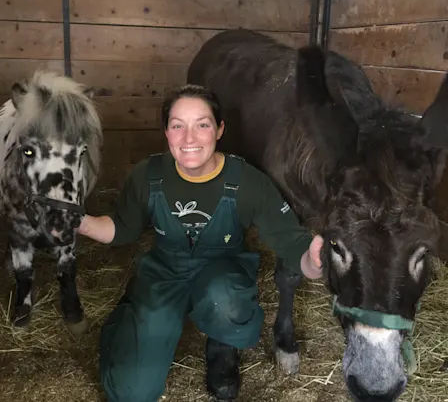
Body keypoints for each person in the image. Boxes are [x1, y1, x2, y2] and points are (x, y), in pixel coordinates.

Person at [78, 84, 324, 402]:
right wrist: (80, 223)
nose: (189, 138)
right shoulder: (147, 176)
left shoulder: (247, 181)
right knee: (131, 392)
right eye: (178, 126)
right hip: (165, 271)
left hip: (224, 270)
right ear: (166, 132)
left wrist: (314, 261)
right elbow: (121, 229)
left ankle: (222, 347)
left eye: (202, 125)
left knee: (225, 297)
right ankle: (132, 321)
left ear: (219, 130)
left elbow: (292, 242)